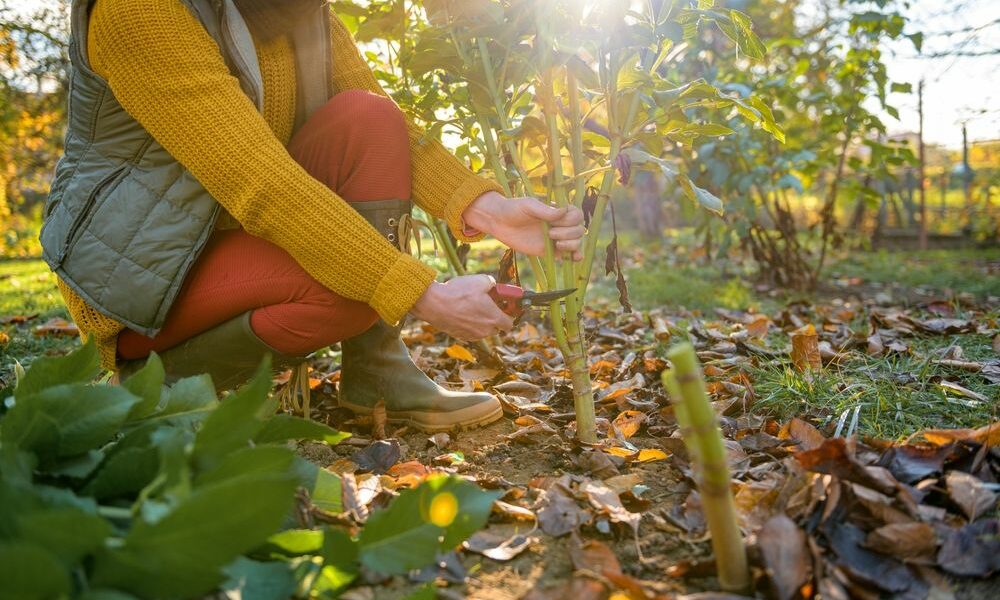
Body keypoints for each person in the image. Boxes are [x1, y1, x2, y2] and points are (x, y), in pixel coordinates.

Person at [39, 0, 585, 432]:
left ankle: (376, 371)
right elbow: (261, 182)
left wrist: (485, 208)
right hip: (142, 272)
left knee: (370, 116)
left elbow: (391, 132)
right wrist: (423, 294)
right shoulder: (138, 11)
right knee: (351, 292)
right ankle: (152, 379)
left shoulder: (301, 9)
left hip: (233, 233)